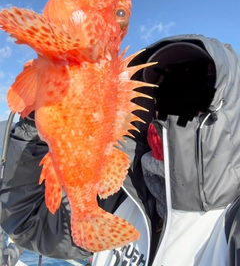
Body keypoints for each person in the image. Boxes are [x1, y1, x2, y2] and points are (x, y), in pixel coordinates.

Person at [1, 33, 240, 266]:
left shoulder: (233, 227)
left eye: (199, 84)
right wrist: (38, 119)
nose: (180, 99)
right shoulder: (121, 195)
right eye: (167, 88)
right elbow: (26, 221)